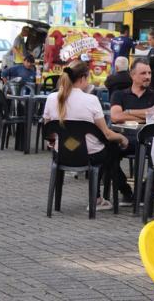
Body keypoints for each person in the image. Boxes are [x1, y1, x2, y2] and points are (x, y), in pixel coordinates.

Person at [42, 61, 129, 211]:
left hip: (61, 154)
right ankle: (105, 196)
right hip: (90, 156)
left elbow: (48, 129)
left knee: (106, 149)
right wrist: (122, 138)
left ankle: (105, 196)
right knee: (112, 150)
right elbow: (106, 133)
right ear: (82, 78)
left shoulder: (51, 98)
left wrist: (52, 141)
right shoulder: (91, 100)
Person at [110, 59, 154, 204]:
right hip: (125, 139)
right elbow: (115, 117)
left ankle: (144, 189)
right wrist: (147, 113)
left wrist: (127, 112)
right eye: (143, 73)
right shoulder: (119, 95)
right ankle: (125, 191)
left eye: (149, 73)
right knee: (106, 153)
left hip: (150, 139)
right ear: (132, 75)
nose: (148, 76)